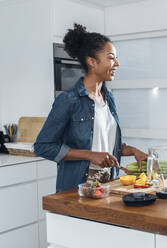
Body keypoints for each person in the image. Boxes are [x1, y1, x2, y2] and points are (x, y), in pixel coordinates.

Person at [34, 24, 147, 192]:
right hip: (77, 188)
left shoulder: (108, 98)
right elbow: (42, 146)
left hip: (108, 184)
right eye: (111, 57)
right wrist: (90, 155)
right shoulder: (69, 100)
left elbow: (104, 141)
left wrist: (132, 150)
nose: (117, 63)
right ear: (92, 61)